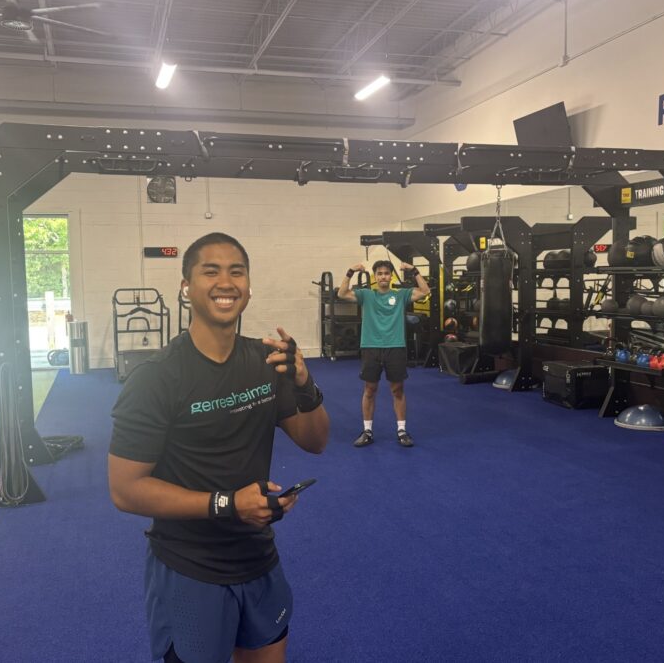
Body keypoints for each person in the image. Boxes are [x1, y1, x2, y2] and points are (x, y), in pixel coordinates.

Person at [108, 232, 330, 663]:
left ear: (248, 287)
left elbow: (315, 440)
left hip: (258, 557)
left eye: (236, 272)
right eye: (210, 271)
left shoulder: (264, 361)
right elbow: (125, 490)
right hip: (190, 567)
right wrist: (229, 504)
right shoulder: (156, 377)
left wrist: (305, 385)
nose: (225, 282)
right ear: (186, 286)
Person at [336, 259, 429, 448]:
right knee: (370, 390)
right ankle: (367, 431)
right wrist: (350, 271)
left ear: (391, 276)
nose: (383, 276)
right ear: (375, 277)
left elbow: (425, 291)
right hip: (371, 347)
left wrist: (414, 270)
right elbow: (342, 293)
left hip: (395, 347)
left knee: (397, 390)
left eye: (386, 273)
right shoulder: (366, 295)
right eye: (379, 273)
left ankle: (402, 430)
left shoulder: (401, 295)